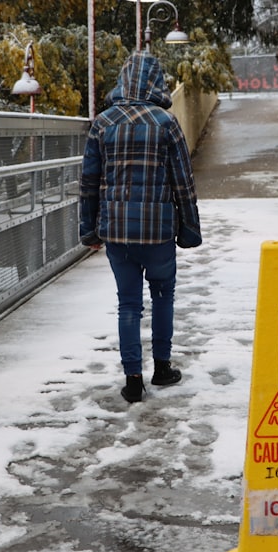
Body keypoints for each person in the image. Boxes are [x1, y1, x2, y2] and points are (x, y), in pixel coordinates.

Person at [79, 51, 201, 403]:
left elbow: (89, 182)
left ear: (123, 80)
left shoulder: (103, 123)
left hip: (117, 232)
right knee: (163, 295)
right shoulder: (165, 122)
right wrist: (189, 229)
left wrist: (89, 231)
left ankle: (133, 380)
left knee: (128, 304)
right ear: (155, 83)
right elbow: (183, 182)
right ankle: (162, 368)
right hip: (158, 232)